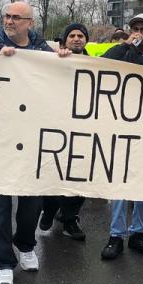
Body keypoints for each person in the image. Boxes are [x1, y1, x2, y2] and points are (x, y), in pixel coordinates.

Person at [0, 1, 71, 284]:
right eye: (6, 16)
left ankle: (26, 244)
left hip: (33, 138)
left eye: (16, 17)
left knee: (32, 200)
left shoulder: (44, 52)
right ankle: (3, 261)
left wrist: (65, 60)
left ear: (30, 22)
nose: (9, 20)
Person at [99, 14, 143, 260]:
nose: (138, 32)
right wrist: (125, 45)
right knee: (120, 183)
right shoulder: (122, 50)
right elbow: (102, 64)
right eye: (135, 28)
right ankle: (116, 236)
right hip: (122, 125)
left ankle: (138, 232)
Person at [38, 23, 91, 242]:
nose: (77, 39)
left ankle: (69, 218)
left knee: (81, 177)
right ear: (64, 41)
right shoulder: (55, 61)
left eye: (81, 35)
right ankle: (49, 209)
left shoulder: (98, 64)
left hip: (86, 130)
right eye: (72, 35)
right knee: (54, 173)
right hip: (57, 128)